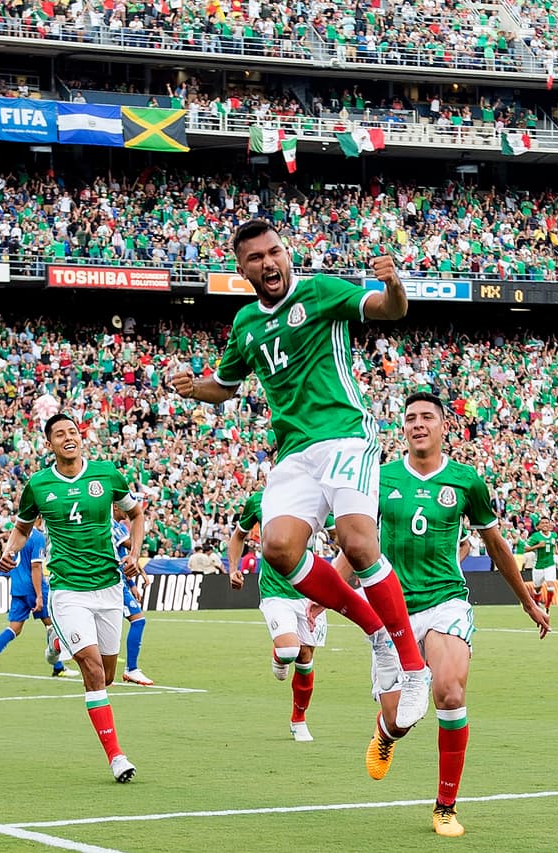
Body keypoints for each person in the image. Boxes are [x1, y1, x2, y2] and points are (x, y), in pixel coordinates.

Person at [170, 218, 432, 730]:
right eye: (255, 258)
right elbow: (225, 385)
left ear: (286, 254)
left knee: (358, 543)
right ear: (242, 269)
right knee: (279, 549)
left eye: (274, 252)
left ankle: (412, 666)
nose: (268, 263)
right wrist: (192, 387)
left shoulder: (321, 292)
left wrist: (394, 284)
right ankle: (376, 629)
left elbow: (389, 310)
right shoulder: (246, 324)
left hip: (344, 434)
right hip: (293, 452)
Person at [357, 393, 550, 837]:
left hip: (446, 601)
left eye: (427, 417)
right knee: (401, 721)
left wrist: (526, 600)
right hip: (392, 610)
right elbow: (358, 543)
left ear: (445, 427)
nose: (417, 424)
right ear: (402, 429)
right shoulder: (380, 478)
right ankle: (386, 734)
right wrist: (322, 593)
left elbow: (498, 545)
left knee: (449, 692)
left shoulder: (467, 482)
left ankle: (445, 806)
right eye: (410, 419)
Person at [0, 413, 146, 782]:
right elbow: (22, 527)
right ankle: (117, 757)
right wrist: (11, 550)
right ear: (49, 444)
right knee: (93, 672)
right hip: (67, 590)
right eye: (60, 434)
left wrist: (134, 554)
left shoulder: (107, 474)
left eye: (74, 432)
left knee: (107, 675)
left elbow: (136, 514)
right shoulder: (38, 484)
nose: (69, 438)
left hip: (109, 587)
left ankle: (55, 641)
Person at [228, 487, 327, 742]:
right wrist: (233, 568)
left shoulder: (318, 496)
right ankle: (279, 656)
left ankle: (298, 719)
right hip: (275, 591)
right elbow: (238, 535)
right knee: (289, 651)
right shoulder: (259, 499)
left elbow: (343, 533)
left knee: (305, 657)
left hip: (310, 589)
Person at [0, 519, 72, 679]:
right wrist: (38, 596)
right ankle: (58, 667)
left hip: (18, 586)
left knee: (14, 628)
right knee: (53, 625)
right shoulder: (37, 537)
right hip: (33, 587)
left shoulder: (16, 535)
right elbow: (35, 567)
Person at [111, 512, 153, 686]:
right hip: (111, 582)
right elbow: (131, 547)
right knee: (138, 620)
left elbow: (123, 557)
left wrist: (132, 584)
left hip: (120, 581)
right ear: (114, 505)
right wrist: (140, 527)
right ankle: (131, 669)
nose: (127, 510)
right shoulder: (111, 525)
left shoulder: (118, 527)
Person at [522, 517, 558, 609]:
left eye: (547, 523)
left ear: (550, 525)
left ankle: (547, 605)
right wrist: (538, 546)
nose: (545, 525)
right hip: (538, 565)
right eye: (542, 523)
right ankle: (536, 602)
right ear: (538, 526)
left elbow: (554, 544)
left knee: (551, 586)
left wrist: (556, 550)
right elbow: (526, 549)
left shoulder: (554, 535)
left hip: (550, 564)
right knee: (537, 588)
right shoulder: (535, 536)